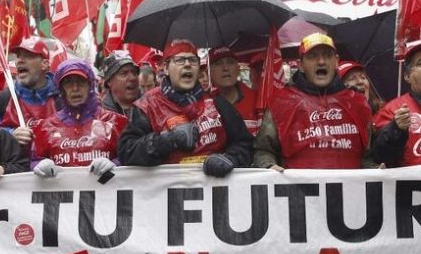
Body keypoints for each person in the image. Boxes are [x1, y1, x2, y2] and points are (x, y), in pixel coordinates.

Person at [119, 39, 253, 177]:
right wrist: (167, 140)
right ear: (166, 68)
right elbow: (126, 152)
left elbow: (244, 144)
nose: (187, 65)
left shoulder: (216, 102)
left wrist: (231, 159)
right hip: (167, 194)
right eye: (180, 60)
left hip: (213, 192)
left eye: (192, 60)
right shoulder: (146, 106)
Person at [254, 33, 372, 170]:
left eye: (327, 55)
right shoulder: (281, 103)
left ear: (336, 62)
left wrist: (375, 169)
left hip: (348, 189)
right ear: (301, 65)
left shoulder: (358, 103)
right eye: (312, 56)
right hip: (298, 190)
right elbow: (263, 150)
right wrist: (269, 166)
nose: (321, 61)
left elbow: (367, 156)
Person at [33, 60, 128, 180]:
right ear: (61, 89)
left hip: (104, 194)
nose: (75, 88)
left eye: (81, 81)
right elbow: (32, 161)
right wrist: (38, 165)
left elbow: (130, 158)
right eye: (68, 82)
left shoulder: (114, 122)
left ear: (90, 86)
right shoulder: (46, 127)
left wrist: (116, 164)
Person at [0, 37, 58, 147]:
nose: (20, 60)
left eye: (28, 56)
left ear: (45, 64)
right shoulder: (2, 100)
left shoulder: (62, 97)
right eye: (18, 56)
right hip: (16, 164)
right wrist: (10, 135)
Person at [209, 47, 261, 135]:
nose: (225, 68)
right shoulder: (205, 106)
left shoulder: (259, 100)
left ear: (238, 69)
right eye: (218, 64)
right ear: (210, 72)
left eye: (230, 62)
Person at [100, 51, 141, 117]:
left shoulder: (151, 108)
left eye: (134, 72)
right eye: (124, 73)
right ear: (109, 81)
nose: (132, 78)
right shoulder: (101, 117)